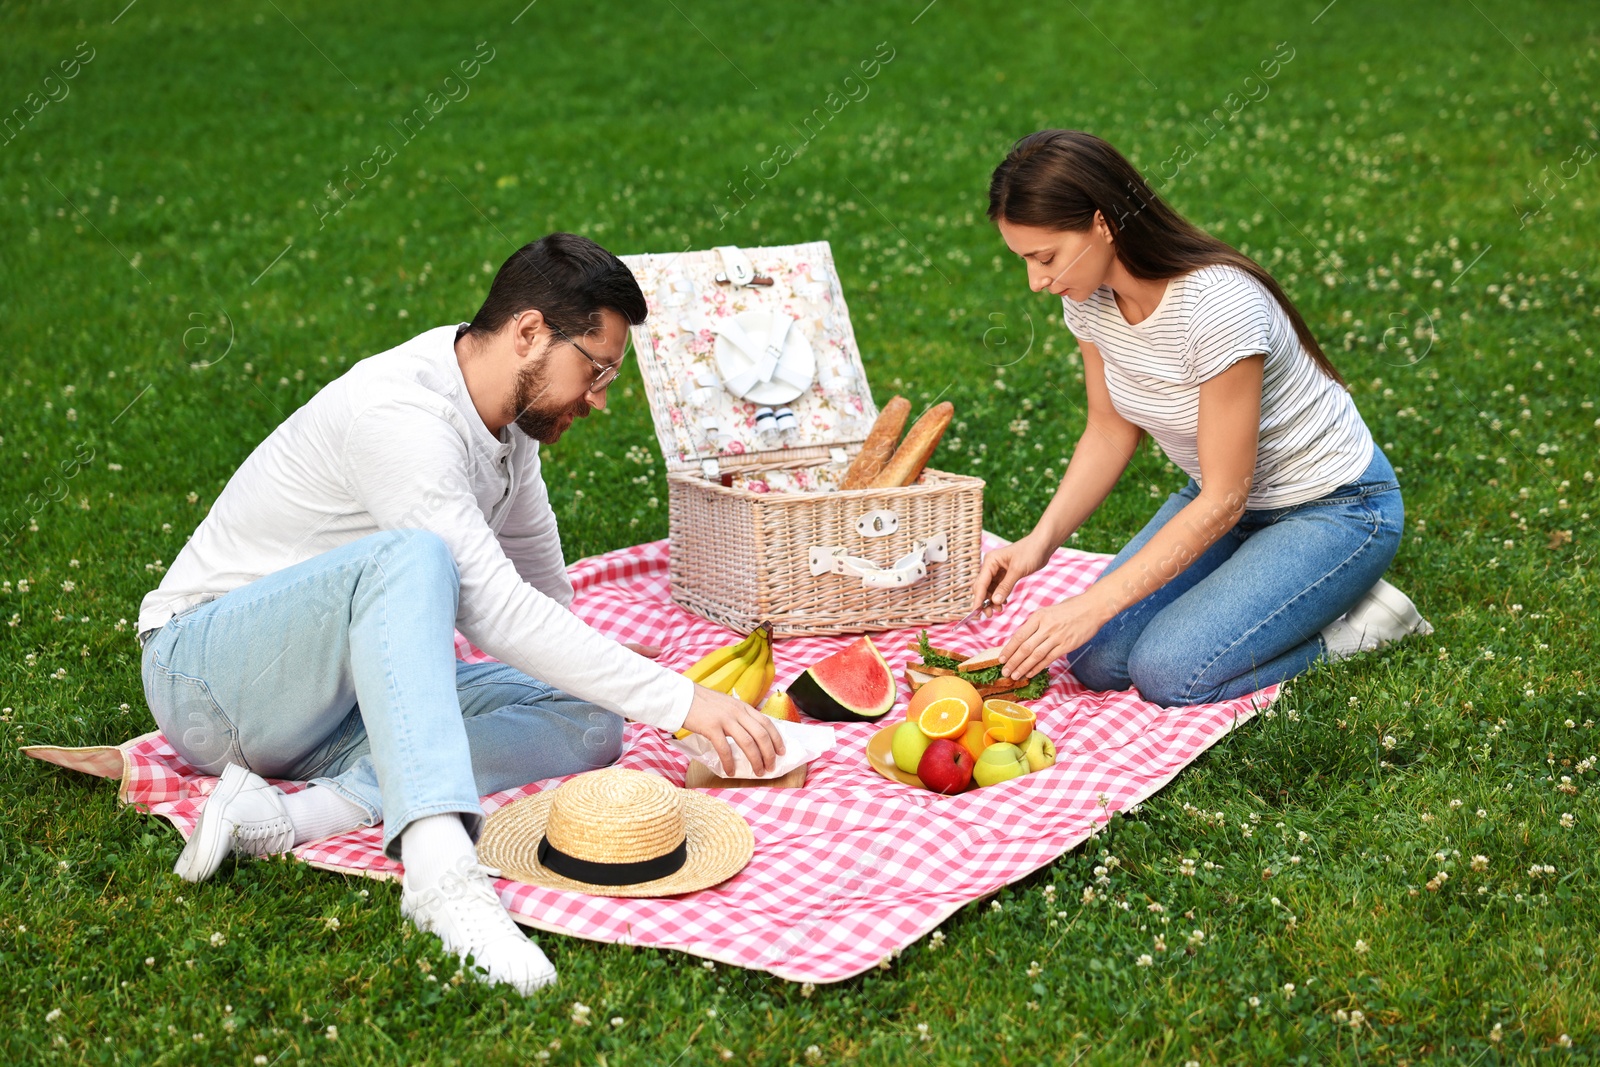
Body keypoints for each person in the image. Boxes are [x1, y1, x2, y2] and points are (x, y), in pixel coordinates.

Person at [137, 232, 784, 995]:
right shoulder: (400, 412)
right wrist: (680, 701)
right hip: (210, 677)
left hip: (331, 706)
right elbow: (494, 610)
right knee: (415, 556)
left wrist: (627, 692)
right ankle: (441, 873)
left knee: (592, 719)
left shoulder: (509, 432)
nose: (602, 396)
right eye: (598, 368)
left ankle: (294, 816)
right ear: (530, 332)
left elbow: (546, 600)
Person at [971, 130, 1431, 706]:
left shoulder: (1218, 305)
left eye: (1045, 258)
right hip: (1221, 503)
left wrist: (1092, 603)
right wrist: (1038, 542)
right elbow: (1109, 431)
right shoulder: (1085, 297)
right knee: (1094, 658)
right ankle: (1260, 585)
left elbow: (1224, 498)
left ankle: (1360, 626)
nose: (1036, 282)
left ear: (1102, 223)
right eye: (1025, 261)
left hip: (1333, 507)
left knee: (1171, 673)